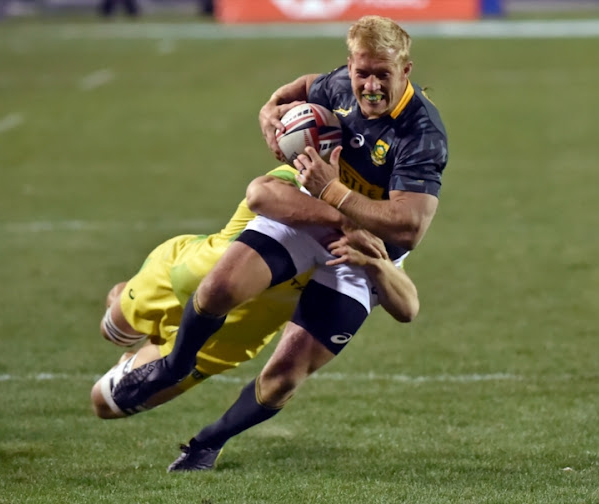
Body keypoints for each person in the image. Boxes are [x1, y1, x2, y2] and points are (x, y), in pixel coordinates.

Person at [112, 15, 448, 471]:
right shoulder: (340, 85)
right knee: (217, 289)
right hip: (315, 214)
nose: (370, 86)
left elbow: (406, 227)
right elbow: (299, 88)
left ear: (405, 71)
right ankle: (173, 366)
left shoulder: (421, 132)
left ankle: (208, 442)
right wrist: (270, 113)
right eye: (361, 73)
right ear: (349, 66)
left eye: (382, 75)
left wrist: (334, 190)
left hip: (365, 249)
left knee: (284, 375)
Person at [91, 165, 419, 419]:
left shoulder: (372, 247)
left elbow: (404, 302)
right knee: (113, 331)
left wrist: (375, 257)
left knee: (105, 403)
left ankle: (155, 349)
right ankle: (127, 303)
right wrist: (344, 219)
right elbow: (260, 195)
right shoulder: (296, 182)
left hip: (229, 337)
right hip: (175, 278)